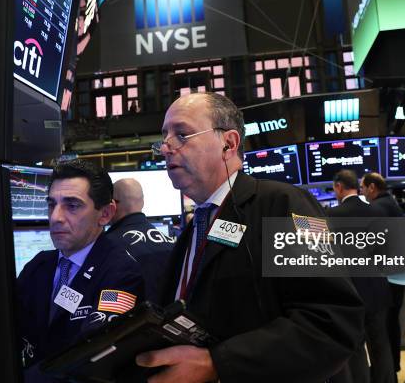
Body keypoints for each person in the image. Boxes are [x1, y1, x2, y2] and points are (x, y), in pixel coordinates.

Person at [135, 92, 365, 382]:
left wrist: (217, 364)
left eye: (182, 134)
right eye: (164, 137)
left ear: (228, 144)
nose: (166, 147)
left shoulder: (288, 203)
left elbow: (332, 322)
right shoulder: (193, 230)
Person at [17, 159, 145, 377]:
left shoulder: (120, 274)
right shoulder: (39, 265)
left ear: (105, 214)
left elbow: (94, 358)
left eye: (72, 205)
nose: (55, 217)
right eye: (51, 204)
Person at [327, 169, 395, 383]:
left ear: (339, 187)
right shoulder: (376, 211)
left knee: (356, 348)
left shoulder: (331, 216)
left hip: (350, 293)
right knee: (381, 345)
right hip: (377, 289)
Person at [360, 172, 405, 375]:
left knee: (383, 328)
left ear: (372, 187)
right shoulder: (392, 204)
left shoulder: (376, 208)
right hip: (398, 270)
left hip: (387, 274)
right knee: (391, 323)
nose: (363, 192)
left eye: (363, 188)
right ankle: (393, 368)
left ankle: (388, 372)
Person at [105, 178, 174, 302]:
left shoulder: (107, 246)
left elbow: (108, 299)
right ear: (142, 202)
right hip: (169, 317)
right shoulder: (172, 242)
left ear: (112, 205)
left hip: (131, 319)